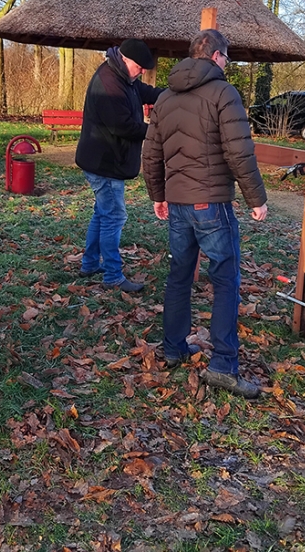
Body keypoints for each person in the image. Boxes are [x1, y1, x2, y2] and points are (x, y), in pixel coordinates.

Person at [143, 29, 268, 399]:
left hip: (179, 204)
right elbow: (239, 151)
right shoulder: (223, 93)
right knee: (226, 281)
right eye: (227, 58)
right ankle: (223, 366)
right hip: (211, 203)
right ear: (216, 56)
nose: (227, 64)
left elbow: (151, 153)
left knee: (179, 276)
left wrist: (158, 195)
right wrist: (256, 198)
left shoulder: (165, 98)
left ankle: (173, 348)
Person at [75, 39, 163, 292]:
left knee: (102, 214)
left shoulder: (123, 76)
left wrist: (173, 94)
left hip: (103, 161)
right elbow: (124, 126)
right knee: (114, 216)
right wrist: (158, 131)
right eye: (139, 66)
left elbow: (145, 91)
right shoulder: (109, 84)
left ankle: (90, 264)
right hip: (105, 163)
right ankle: (113, 276)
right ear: (125, 59)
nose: (142, 71)